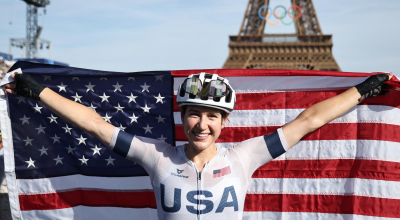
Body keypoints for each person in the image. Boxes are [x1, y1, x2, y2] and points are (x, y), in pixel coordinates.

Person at [4, 72, 392, 219]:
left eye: (212, 117)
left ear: (225, 122)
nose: (201, 125)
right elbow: (94, 124)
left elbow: (308, 120)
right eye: (193, 114)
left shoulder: (245, 156)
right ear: (182, 116)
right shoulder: (156, 155)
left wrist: (361, 91)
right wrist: (38, 91)